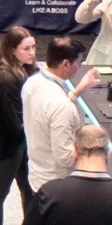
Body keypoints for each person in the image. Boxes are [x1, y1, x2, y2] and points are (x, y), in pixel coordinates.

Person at [0, 26, 38, 225]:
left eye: (34, 47)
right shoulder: (5, 79)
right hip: (8, 147)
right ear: (12, 50)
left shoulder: (25, 71)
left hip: (21, 144)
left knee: (29, 189)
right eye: (27, 48)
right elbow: (13, 122)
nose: (32, 52)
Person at [21, 36, 100, 192]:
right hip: (56, 185)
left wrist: (78, 91)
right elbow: (65, 158)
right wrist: (93, 146)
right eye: (78, 63)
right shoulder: (61, 106)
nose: (80, 67)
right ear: (65, 63)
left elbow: (49, 112)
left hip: (37, 173)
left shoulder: (32, 82)